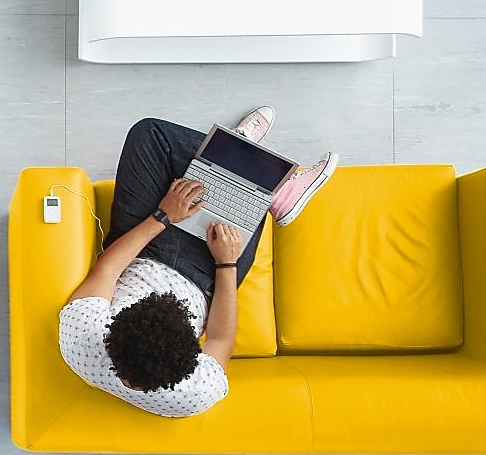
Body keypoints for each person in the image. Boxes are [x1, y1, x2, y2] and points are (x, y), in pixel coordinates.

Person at [58, 109, 339, 417]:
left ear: (111, 330)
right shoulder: (195, 392)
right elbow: (219, 338)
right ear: (191, 356)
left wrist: (164, 216)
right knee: (238, 202)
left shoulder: (82, 339)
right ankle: (269, 186)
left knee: (151, 134)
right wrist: (227, 263)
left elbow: (109, 269)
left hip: (140, 252)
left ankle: (234, 153)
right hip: (206, 274)